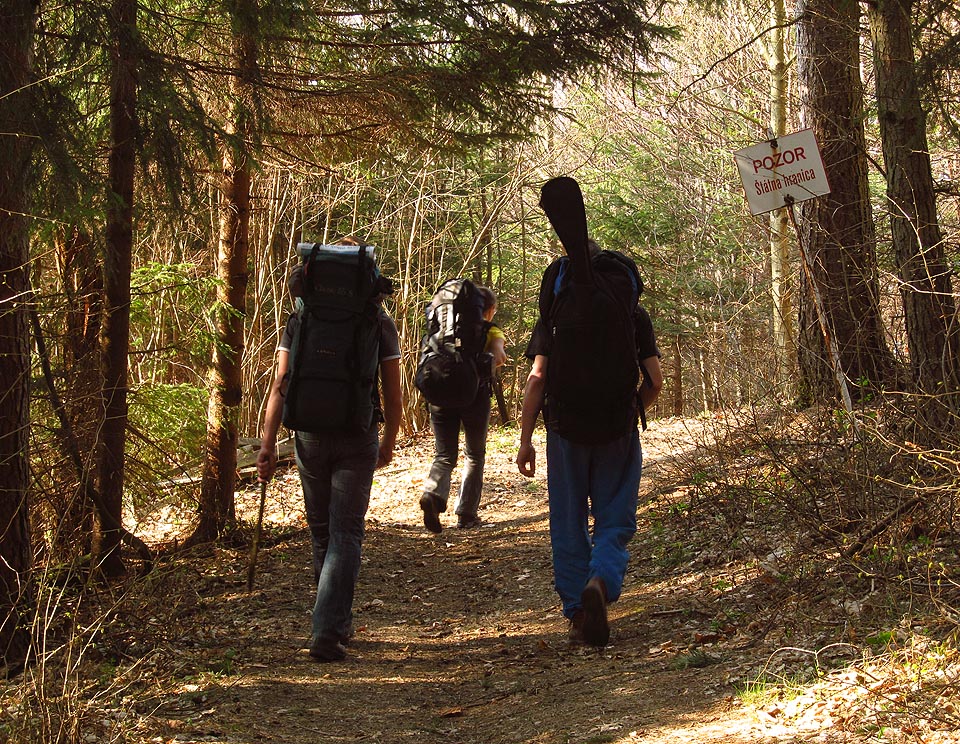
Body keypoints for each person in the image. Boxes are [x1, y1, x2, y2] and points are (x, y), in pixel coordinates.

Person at [256, 237, 402, 663]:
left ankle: (329, 623)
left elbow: (280, 385)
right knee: (346, 532)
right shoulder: (378, 320)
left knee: (323, 530)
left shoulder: (300, 317)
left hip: (309, 435)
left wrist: (267, 443)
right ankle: (329, 627)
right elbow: (392, 393)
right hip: (357, 434)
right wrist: (390, 438)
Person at [516, 240, 662, 647]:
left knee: (568, 522)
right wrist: (630, 413)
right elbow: (655, 383)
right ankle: (600, 579)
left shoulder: (556, 310)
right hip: (617, 427)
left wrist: (526, 440)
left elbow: (537, 379)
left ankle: (578, 613)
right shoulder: (631, 312)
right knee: (615, 519)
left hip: (565, 430)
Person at [420, 286, 508, 533]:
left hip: (439, 394)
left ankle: (433, 493)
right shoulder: (490, 329)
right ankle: (466, 514)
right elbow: (499, 357)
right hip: (474, 397)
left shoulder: (442, 330)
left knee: (444, 455)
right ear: (488, 310)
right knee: (474, 455)